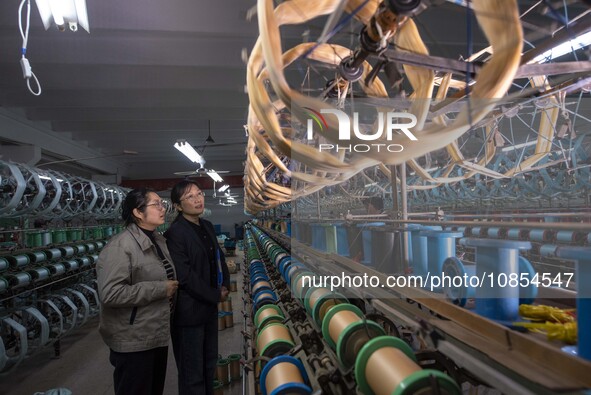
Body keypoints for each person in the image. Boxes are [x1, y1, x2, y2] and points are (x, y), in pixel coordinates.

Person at [96, 188, 179, 395]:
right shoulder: (120, 247)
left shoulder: (158, 241)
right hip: (133, 340)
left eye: (163, 204)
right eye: (156, 204)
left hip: (155, 332)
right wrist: (160, 289)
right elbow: (111, 293)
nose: (163, 209)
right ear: (138, 213)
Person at [165, 180, 230, 395]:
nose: (197, 199)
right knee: (192, 372)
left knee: (209, 364)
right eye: (190, 197)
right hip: (189, 313)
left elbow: (218, 258)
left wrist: (226, 284)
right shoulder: (175, 233)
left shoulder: (207, 226)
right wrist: (214, 294)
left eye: (199, 193)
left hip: (208, 309)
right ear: (178, 206)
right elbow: (185, 277)